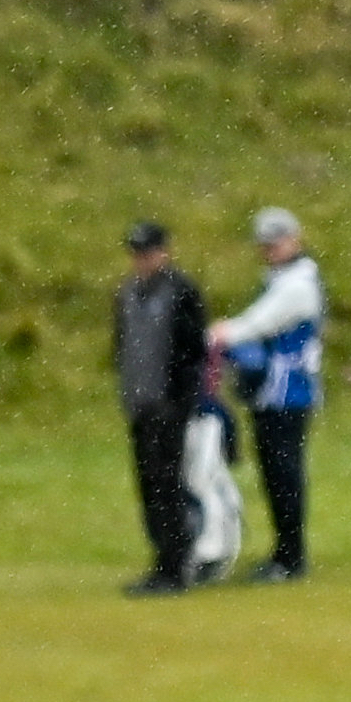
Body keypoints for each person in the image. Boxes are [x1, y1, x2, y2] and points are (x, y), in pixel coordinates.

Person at [215, 208, 328, 581]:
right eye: (265, 244)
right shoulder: (283, 279)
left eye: (276, 242)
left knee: (284, 474)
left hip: (287, 393)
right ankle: (284, 551)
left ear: (294, 239)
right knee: (275, 474)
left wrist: (218, 335)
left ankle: (290, 557)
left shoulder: (297, 285)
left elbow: (258, 324)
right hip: (272, 393)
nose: (269, 250)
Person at [109, 218, 209, 596]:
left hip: (169, 404)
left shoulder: (182, 292)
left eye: (148, 252)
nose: (142, 259)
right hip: (140, 402)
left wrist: (180, 401)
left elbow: (192, 351)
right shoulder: (128, 293)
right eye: (136, 253)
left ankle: (175, 564)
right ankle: (160, 560)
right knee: (149, 484)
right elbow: (123, 346)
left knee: (168, 484)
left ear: (164, 252)